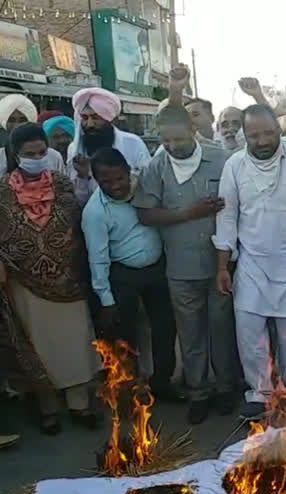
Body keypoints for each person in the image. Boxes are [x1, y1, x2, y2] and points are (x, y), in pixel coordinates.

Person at [214, 104, 286, 420]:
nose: (262, 141)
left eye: (267, 133)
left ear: (277, 131)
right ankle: (259, 392)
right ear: (244, 135)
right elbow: (227, 216)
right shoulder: (234, 165)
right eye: (254, 135)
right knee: (249, 328)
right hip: (251, 263)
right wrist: (223, 265)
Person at [134, 105, 240, 424]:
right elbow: (145, 214)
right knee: (190, 335)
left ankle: (225, 388)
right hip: (180, 269)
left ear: (192, 132)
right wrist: (187, 214)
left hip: (220, 265)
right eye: (166, 140)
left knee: (222, 331)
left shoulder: (221, 159)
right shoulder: (156, 167)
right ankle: (199, 393)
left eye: (178, 139)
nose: (172, 146)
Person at [0, 123, 99, 435]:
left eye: (42, 152)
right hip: (24, 281)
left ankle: (79, 403)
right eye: (29, 154)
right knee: (38, 346)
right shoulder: (2, 191)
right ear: (15, 155)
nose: (37, 158)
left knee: (75, 342)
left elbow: (82, 217)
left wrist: (85, 177)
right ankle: (47, 408)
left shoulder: (62, 183)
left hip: (69, 279)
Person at [81, 147, 178, 401]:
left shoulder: (146, 188)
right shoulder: (95, 212)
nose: (115, 186)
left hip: (157, 269)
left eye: (119, 178)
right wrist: (106, 300)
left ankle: (162, 383)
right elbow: (97, 258)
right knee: (126, 336)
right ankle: (134, 391)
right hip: (123, 275)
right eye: (106, 181)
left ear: (128, 172)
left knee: (165, 328)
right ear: (96, 180)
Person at [68, 87, 151, 205]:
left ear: (110, 119)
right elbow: (78, 199)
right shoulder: (75, 149)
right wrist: (83, 176)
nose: (90, 124)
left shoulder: (133, 143)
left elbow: (148, 184)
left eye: (96, 118)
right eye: (85, 118)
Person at [0, 94, 40, 174]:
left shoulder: (52, 156)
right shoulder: (1, 156)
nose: (17, 125)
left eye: (22, 120)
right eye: (11, 120)